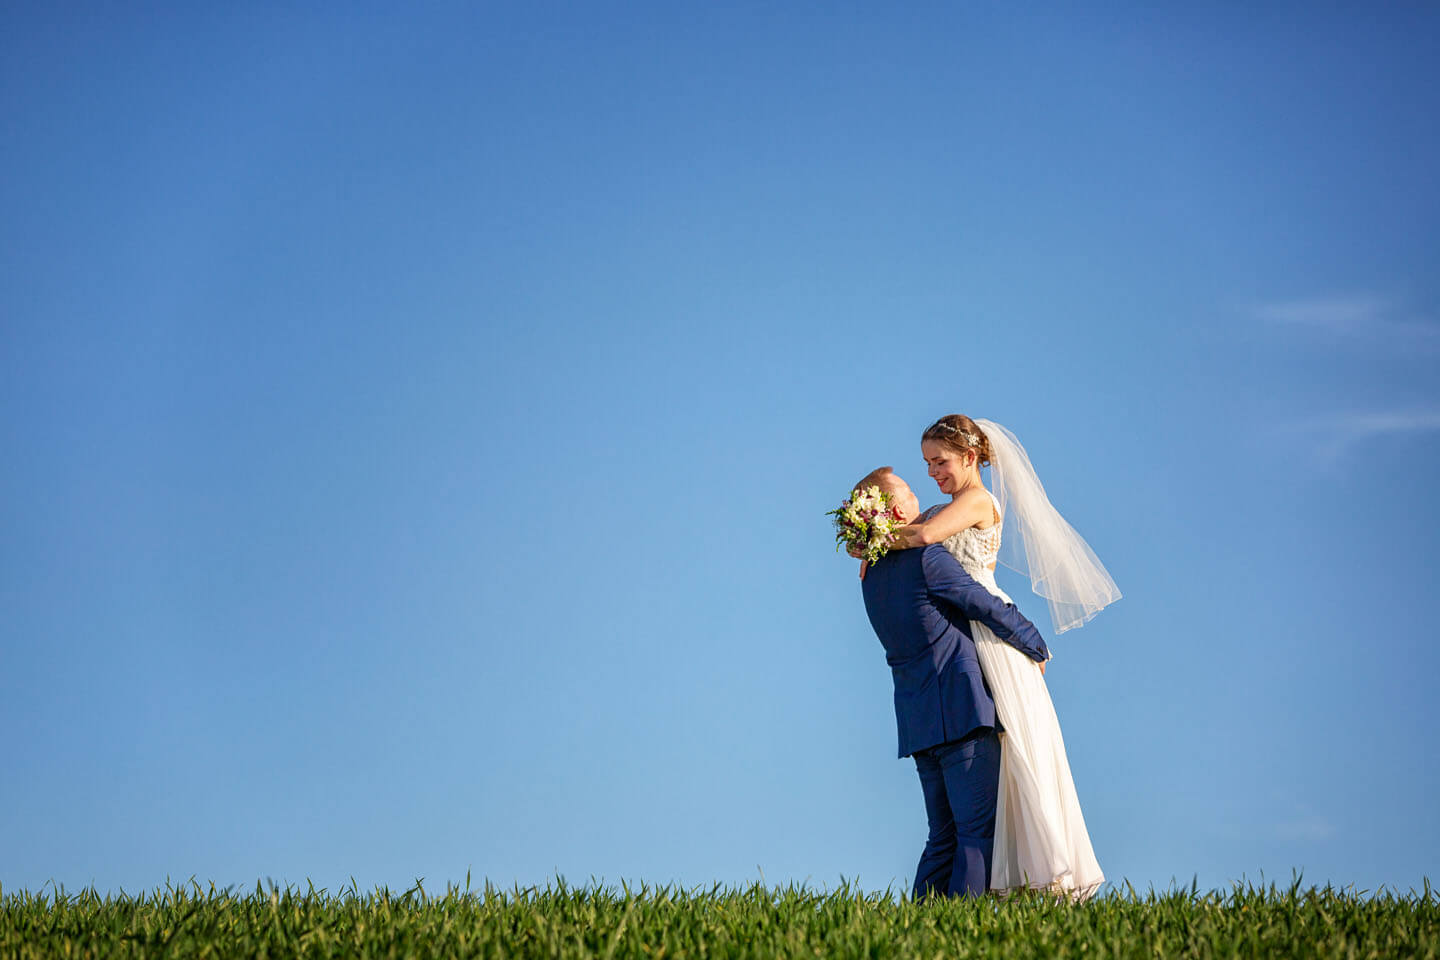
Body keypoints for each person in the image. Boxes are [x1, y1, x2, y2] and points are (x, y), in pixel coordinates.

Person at [882, 414, 1118, 900]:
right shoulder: (940, 508)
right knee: (991, 771)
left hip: (989, 633)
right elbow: (913, 532)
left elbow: (922, 539)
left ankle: (1037, 872)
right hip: (965, 635)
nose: (932, 472)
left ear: (970, 457)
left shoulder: (976, 501)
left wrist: (875, 541)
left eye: (940, 461)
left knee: (1015, 757)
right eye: (927, 464)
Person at [851, 466, 1051, 899]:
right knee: (977, 834)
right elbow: (984, 604)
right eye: (906, 490)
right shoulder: (928, 558)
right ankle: (963, 932)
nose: (916, 493)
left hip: (917, 718)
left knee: (941, 838)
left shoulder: (871, 575)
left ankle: (919, 932)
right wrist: (1035, 643)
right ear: (890, 507)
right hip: (961, 711)